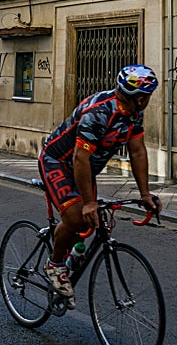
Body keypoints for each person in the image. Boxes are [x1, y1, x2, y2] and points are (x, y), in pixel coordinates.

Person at [38, 64, 160, 304]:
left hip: (84, 169)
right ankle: (54, 264)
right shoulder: (99, 113)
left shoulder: (133, 114)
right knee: (76, 218)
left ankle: (70, 254)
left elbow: (137, 152)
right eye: (149, 95)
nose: (149, 100)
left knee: (91, 222)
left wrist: (145, 194)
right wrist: (88, 203)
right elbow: (80, 158)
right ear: (140, 98)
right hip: (58, 162)